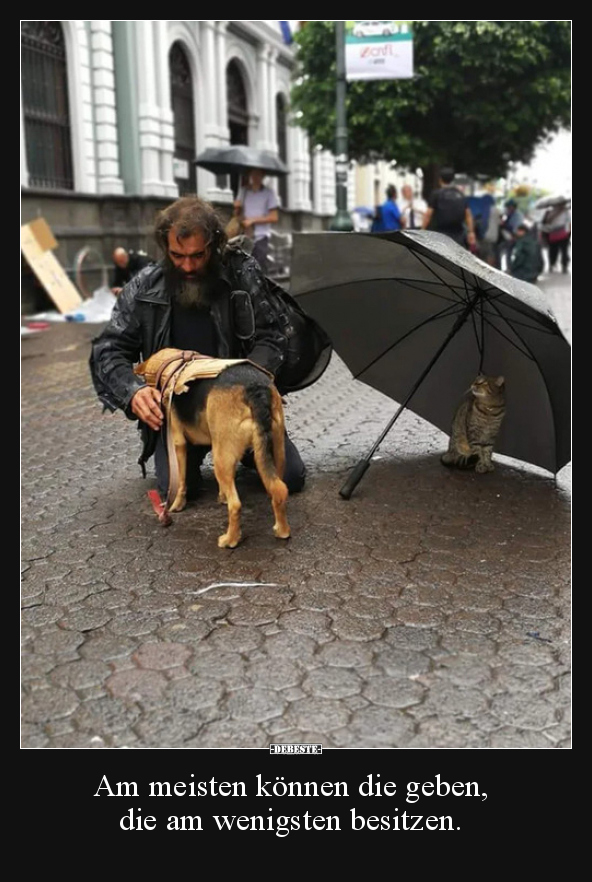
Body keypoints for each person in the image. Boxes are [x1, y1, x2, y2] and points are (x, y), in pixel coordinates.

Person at [90, 196, 309, 501]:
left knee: (291, 477)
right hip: (180, 417)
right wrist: (134, 392)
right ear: (165, 247)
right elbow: (107, 349)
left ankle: (243, 453)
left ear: (214, 244)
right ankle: (201, 459)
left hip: (238, 408)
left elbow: (274, 337)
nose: (188, 265)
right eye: (177, 255)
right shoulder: (144, 286)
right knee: (176, 490)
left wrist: (250, 383)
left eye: (198, 255)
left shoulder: (242, 274)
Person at [232, 168, 279, 273]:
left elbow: (274, 217)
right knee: (244, 268)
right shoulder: (243, 191)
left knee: (259, 268)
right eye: (253, 174)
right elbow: (237, 215)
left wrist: (253, 220)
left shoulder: (268, 193)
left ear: (263, 176)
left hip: (261, 237)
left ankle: (263, 288)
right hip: (245, 236)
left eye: (258, 174)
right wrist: (236, 207)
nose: (255, 177)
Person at [421, 167, 476, 250]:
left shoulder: (436, 194)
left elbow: (428, 214)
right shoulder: (460, 195)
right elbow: (468, 215)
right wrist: (471, 232)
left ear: (440, 180)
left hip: (439, 233)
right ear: (453, 180)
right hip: (458, 234)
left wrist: (422, 230)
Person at [541, 199, 571, 273]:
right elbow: (569, 222)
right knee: (563, 251)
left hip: (553, 233)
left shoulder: (549, 211)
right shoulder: (565, 211)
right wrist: (568, 233)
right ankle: (564, 266)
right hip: (563, 233)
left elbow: (545, 223)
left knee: (553, 250)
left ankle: (553, 264)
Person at [498, 198, 525, 271]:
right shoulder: (510, 214)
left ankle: (512, 268)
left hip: (515, 236)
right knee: (508, 252)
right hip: (511, 236)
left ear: (513, 207)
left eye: (509, 207)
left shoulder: (517, 215)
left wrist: (504, 225)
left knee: (512, 253)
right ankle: (509, 268)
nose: (508, 209)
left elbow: (515, 227)